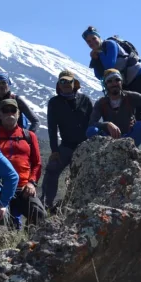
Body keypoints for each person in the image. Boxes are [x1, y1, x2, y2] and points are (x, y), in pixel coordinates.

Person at [41, 70, 93, 210]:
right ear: (58, 84)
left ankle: (79, 207)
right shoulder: (54, 102)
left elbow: (93, 122)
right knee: (52, 170)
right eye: (62, 81)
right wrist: (54, 150)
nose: (65, 84)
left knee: (81, 177)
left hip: (84, 146)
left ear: (74, 83)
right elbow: (52, 128)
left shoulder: (85, 100)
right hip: (66, 146)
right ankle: (46, 205)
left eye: (68, 81)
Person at [0, 99, 46, 226]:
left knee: (40, 216)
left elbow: (37, 163)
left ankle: (32, 243)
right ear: (0, 114)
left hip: (24, 189)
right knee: (3, 223)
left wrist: (32, 183)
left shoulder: (29, 136)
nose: (9, 113)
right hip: (1, 189)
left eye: (13, 110)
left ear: (18, 113)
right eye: (5, 110)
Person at [83, 26, 141, 121]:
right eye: (88, 41)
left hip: (139, 77)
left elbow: (109, 66)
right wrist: (95, 59)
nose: (92, 42)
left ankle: (139, 134)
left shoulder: (110, 44)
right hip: (125, 82)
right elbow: (100, 76)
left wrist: (98, 55)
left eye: (94, 38)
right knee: (125, 112)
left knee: (139, 111)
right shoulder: (96, 54)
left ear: (99, 37)